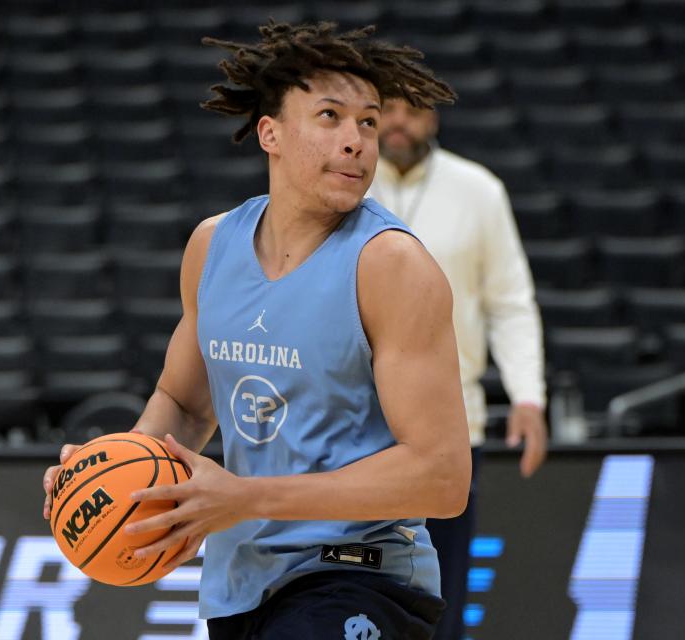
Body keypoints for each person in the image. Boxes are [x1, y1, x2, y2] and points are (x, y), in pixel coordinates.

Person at [41, 21, 473, 640]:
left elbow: (442, 477)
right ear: (269, 132)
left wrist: (249, 497)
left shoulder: (391, 265)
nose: (356, 141)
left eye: (369, 122)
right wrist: (110, 477)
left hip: (360, 578)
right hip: (240, 586)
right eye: (330, 116)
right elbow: (185, 405)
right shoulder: (212, 246)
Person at [369, 98, 549, 640]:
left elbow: (511, 303)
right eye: (388, 109)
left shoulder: (479, 190)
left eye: (413, 109)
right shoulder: (341, 182)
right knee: (350, 600)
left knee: (439, 604)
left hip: (449, 425)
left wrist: (528, 398)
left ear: (435, 118)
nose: (399, 121)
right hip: (352, 426)